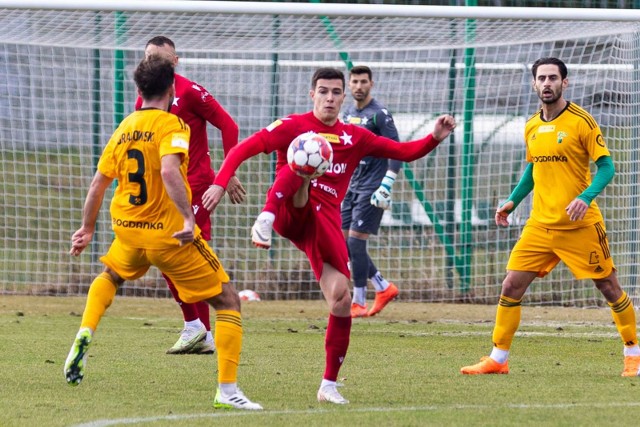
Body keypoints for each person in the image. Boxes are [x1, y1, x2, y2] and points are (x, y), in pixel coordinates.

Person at [202, 67, 456, 404]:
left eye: (337, 92)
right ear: (312, 94)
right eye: (324, 91)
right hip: (290, 210)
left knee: (340, 298)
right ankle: (264, 216)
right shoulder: (293, 126)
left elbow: (403, 152)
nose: (330, 98)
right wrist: (220, 183)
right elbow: (242, 150)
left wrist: (435, 136)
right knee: (304, 156)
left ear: (344, 97)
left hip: (324, 224)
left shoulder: (354, 137)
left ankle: (329, 385)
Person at [63, 55, 262, 410]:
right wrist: (188, 218)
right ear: (171, 88)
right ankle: (228, 391)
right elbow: (170, 172)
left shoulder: (124, 127)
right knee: (228, 301)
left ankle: (85, 332)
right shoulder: (172, 125)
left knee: (110, 275)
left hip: (127, 230)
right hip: (167, 235)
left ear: (139, 90)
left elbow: (98, 183)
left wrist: (87, 227)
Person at [460, 57, 640, 377]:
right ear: (534, 84)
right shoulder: (531, 124)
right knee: (511, 286)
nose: (546, 83)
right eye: (541, 78)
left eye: (553, 78)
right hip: (540, 225)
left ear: (564, 83)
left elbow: (607, 167)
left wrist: (585, 198)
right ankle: (498, 359)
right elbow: (534, 169)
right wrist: (512, 202)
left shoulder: (582, 121)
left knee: (608, 286)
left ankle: (633, 354)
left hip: (579, 225)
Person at [136, 36, 246, 355]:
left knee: (177, 251)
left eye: (159, 58)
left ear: (175, 61)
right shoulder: (144, 99)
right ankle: (202, 331)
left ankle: (199, 327)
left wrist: (226, 175)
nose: (152, 63)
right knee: (175, 254)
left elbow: (229, 126)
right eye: (147, 58)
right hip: (165, 189)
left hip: (196, 185)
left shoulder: (190, 91)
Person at [342, 65, 402, 318]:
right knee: (343, 242)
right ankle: (383, 286)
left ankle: (358, 301)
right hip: (352, 184)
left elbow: (396, 150)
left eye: (363, 81)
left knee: (356, 241)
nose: (358, 86)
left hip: (373, 185)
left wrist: (387, 184)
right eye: (354, 81)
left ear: (371, 84)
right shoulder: (346, 114)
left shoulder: (379, 115)